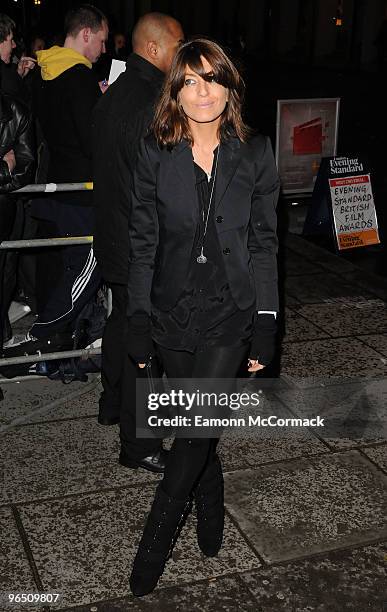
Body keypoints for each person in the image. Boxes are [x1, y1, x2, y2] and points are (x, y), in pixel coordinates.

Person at [126, 39, 279, 596]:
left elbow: (265, 244)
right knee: (199, 429)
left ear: (230, 87)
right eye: (190, 81)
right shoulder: (154, 152)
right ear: (175, 91)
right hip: (172, 311)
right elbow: (142, 243)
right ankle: (210, 510)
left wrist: (266, 321)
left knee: (190, 436)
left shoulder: (255, 152)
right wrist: (138, 317)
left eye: (213, 79)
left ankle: (148, 558)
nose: (203, 91)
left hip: (230, 314)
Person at [92, 13, 183, 472]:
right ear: (154, 48)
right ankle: (140, 443)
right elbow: (160, 187)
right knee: (144, 349)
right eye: (177, 45)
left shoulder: (115, 92)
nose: (181, 54)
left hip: (113, 237)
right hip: (141, 245)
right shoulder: (152, 101)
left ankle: (112, 405)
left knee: (121, 325)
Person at [16, 4, 109, 353]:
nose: (103, 49)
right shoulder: (80, 77)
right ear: (86, 34)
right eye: (100, 40)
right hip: (80, 190)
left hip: (49, 185)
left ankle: (58, 338)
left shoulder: (40, 71)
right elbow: (90, 141)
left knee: (56, 264)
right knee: (86, 264)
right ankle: (45, 335)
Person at [0, 86, 35, 351]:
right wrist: (4, 168)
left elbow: (24, 168)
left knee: (5, 280)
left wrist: (11, 169)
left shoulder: (15, 113)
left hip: (5, 218)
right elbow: (13, 168)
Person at [0, 14, 36, 101]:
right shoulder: (3, 75)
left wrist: (19, 74)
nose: (14, 45)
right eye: (11, 40)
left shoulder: (6, 76)